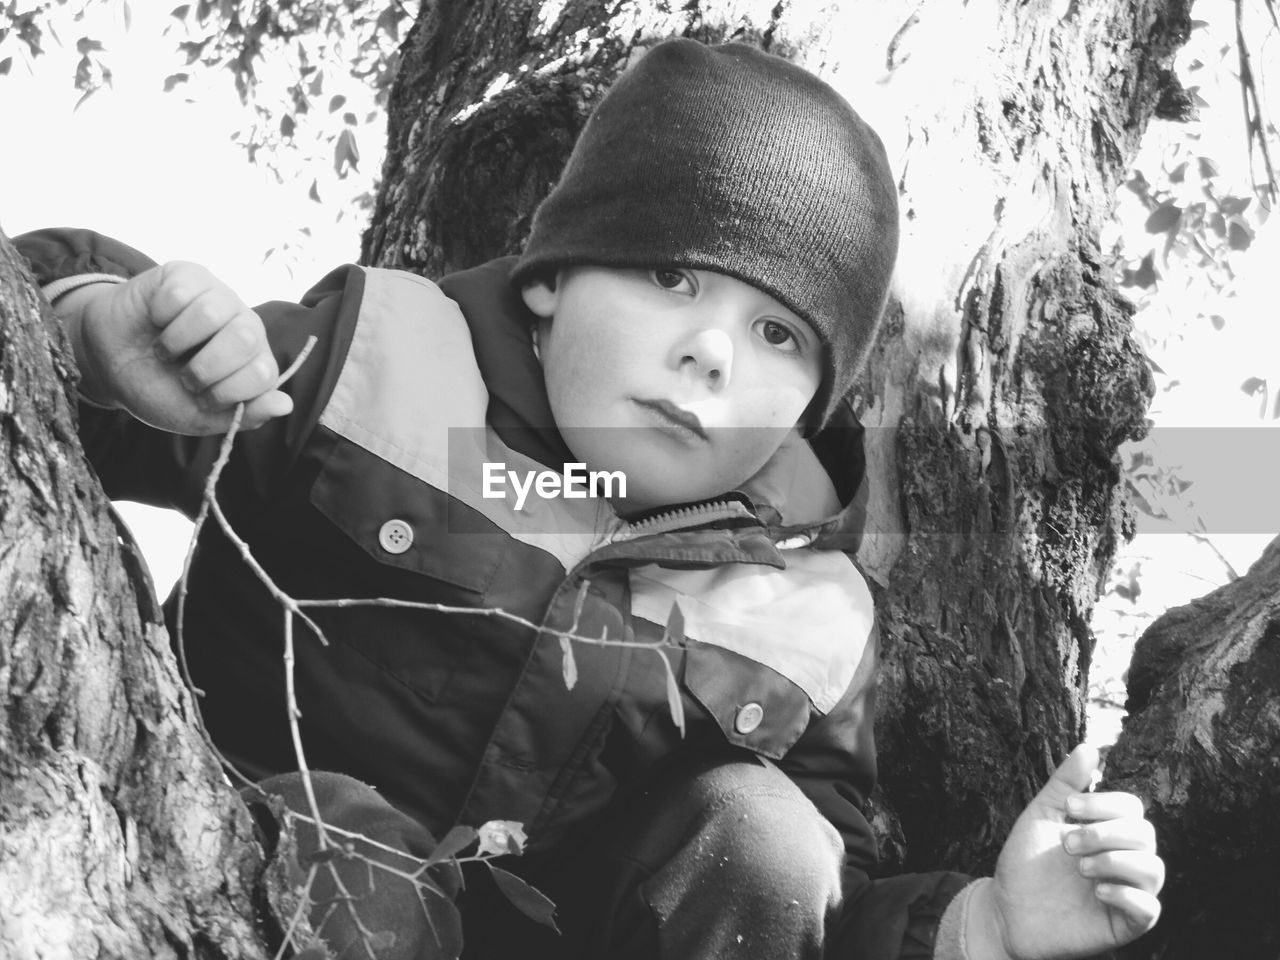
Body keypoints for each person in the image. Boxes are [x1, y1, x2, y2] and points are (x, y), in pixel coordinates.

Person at [15, 37, 1162, 960]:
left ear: (813, 401)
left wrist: (981, 930)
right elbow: (68, 414)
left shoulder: (808, 614)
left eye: (776, 334)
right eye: (671, 278)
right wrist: (95, 332)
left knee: (767, 833)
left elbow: (807, 909)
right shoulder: (379, 369)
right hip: (254, 863)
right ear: (553, 279)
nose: (712, 351)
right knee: (361, 860)